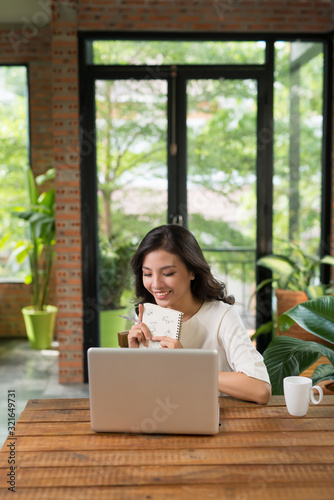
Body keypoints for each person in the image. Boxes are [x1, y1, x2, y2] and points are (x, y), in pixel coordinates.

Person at [128, 224, 271, 405]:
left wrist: (189, 365)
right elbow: (143, 394)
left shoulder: (222, 316)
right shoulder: (147, 316)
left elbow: (260, 390)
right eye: (147, 273)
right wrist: (134, 356)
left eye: (168, 273)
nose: (156, 284)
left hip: (215, 422)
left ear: (192, 271)